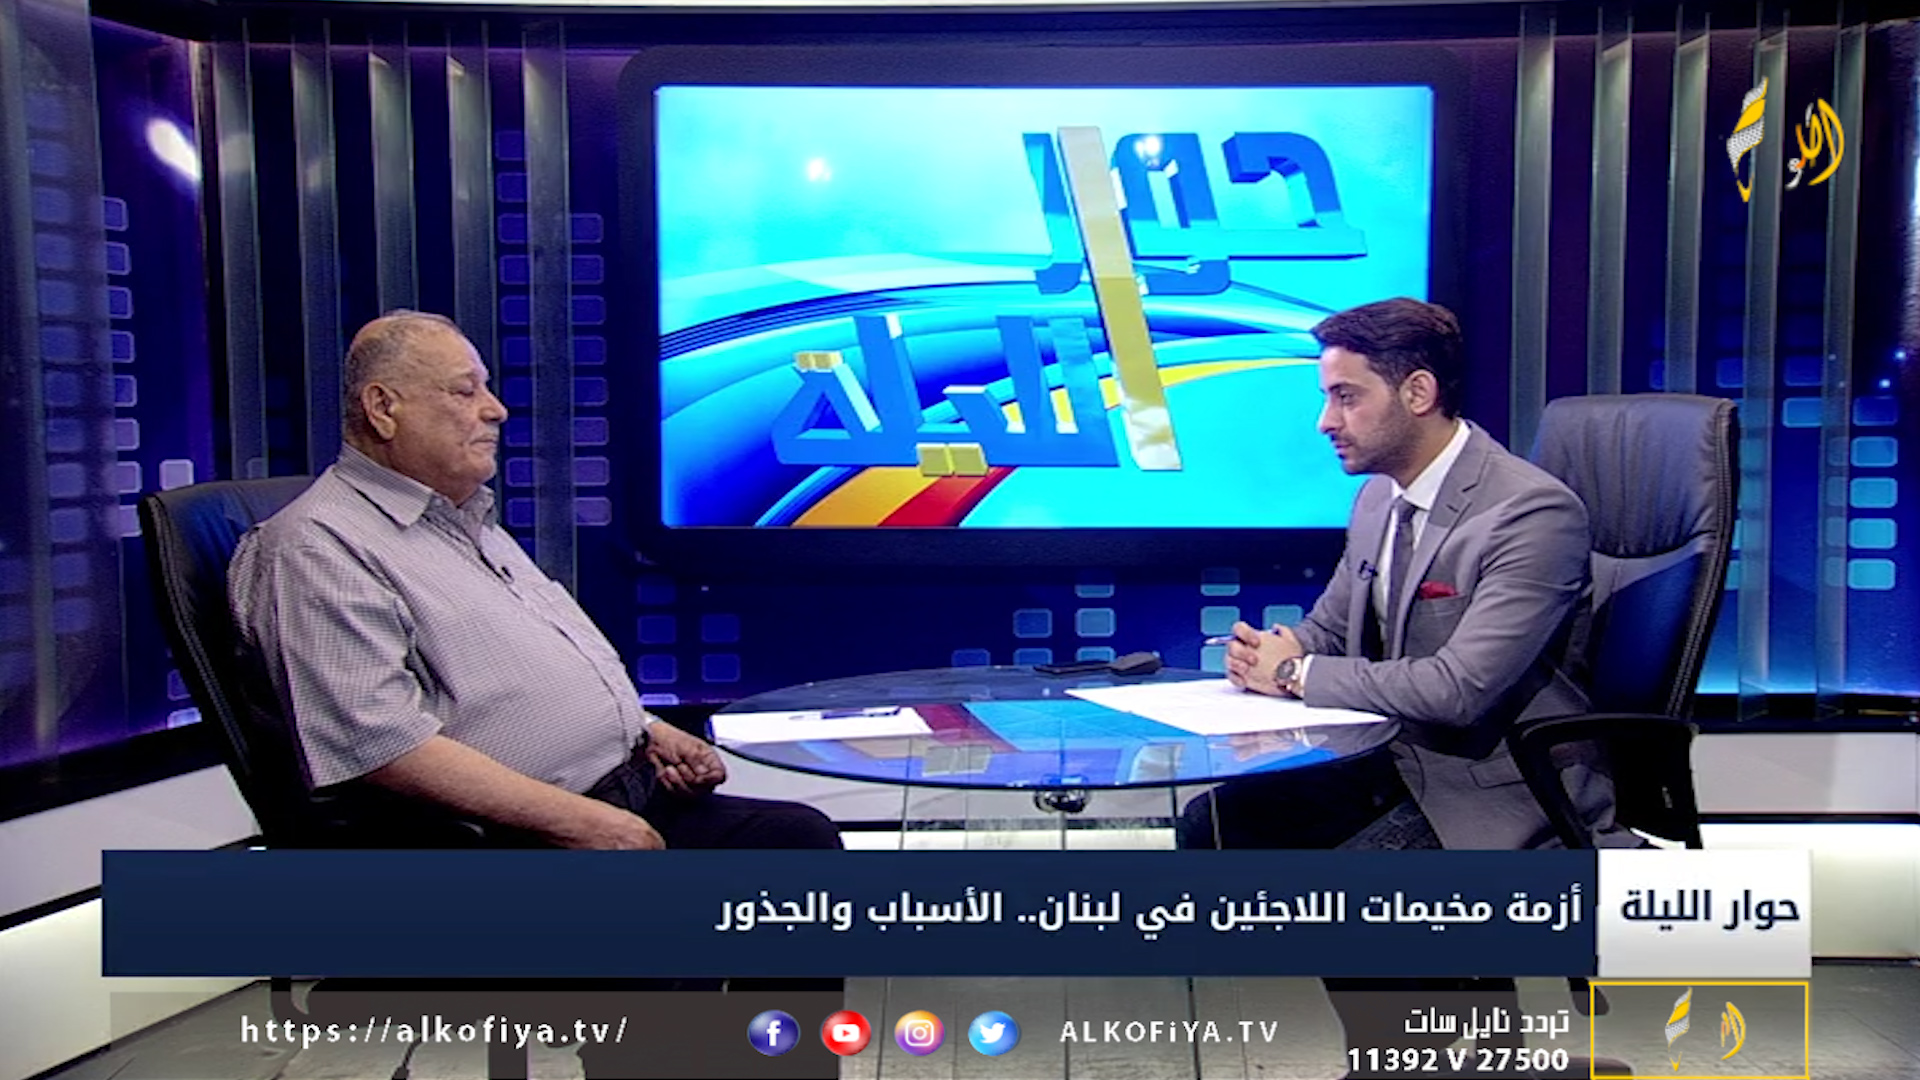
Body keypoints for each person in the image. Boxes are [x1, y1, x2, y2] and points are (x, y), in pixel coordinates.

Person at [1180, 297, 1628, 1080]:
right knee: (1217, 825)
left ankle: (1435, 1052)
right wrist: (1275, 653)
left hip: (1498, 784)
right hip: (1399, 760)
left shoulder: (1529, 512)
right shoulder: (1380, 496)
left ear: (1417, 392)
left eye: (1345, 397)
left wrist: (1295, 675)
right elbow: (1331, 627)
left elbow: (1459, 689)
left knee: (1350, 874)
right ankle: (1416, 1046)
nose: (1326, 421)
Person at [231, 310, 840, 853]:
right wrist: (583, 823)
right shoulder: (317, 546)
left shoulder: (463, 517)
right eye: (465, 390)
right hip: (516, 839)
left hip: (633, 789)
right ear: (383, 408)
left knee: (794, 838)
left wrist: (650, 731)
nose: (495, 409)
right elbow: (381, 746)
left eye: (487, 388)